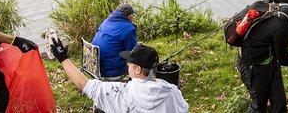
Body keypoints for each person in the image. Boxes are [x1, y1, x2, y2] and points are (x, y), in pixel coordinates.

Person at [50, 39, 189, 113]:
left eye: (129, 63)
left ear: (138, 69)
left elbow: (84, 84)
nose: (127, 65)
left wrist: (62, 57)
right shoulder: (172, 91)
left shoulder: (121, 93)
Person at [92, 3, 138, 78]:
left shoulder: (106, 21)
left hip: (95, 67)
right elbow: (132, 52)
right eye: (133, 15)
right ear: (129, 17)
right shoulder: (129, 28)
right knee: (141, 58)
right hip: (111, 70)